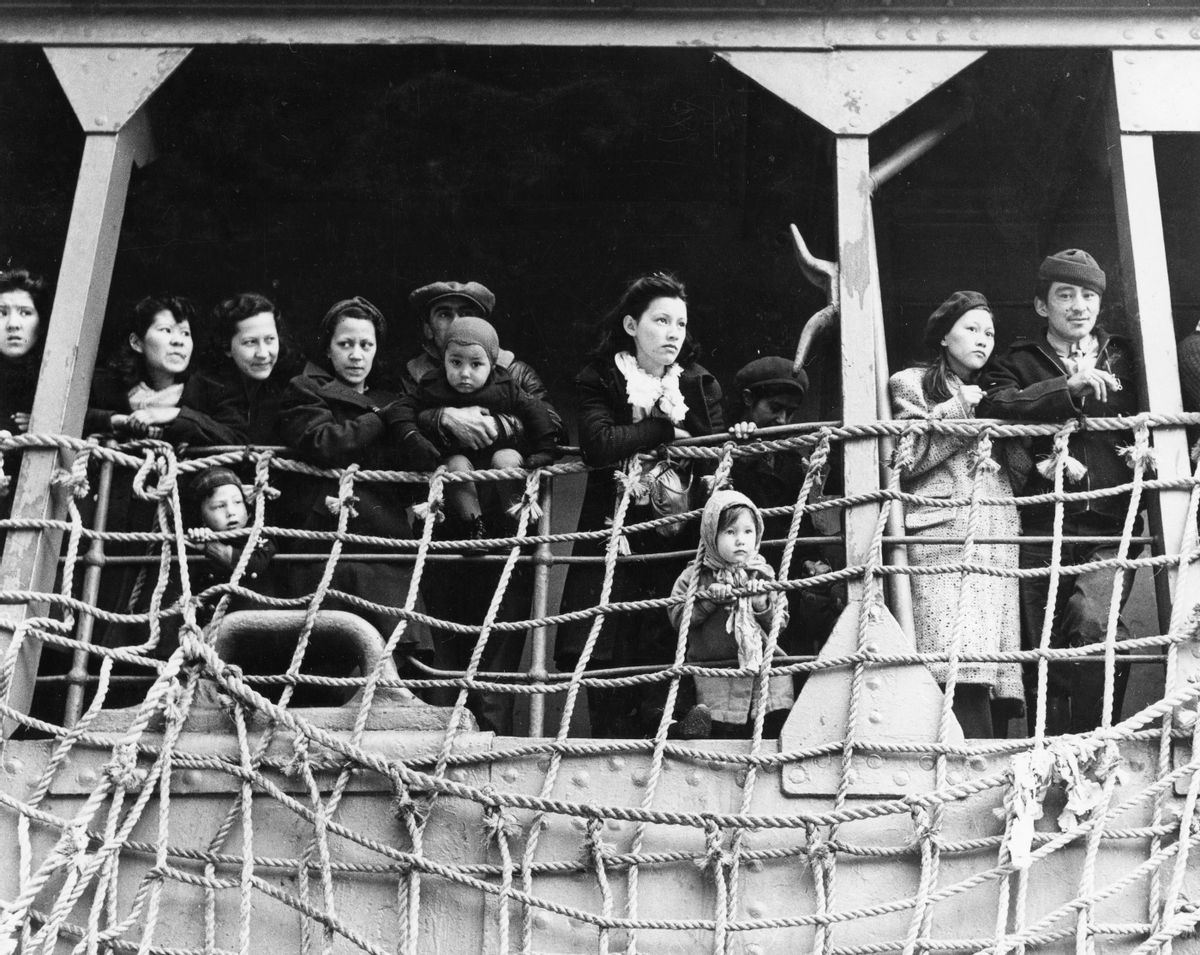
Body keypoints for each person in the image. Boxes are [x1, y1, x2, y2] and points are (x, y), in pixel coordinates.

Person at [556, 272, 725, 737]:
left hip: (676, 540)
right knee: (606, 649)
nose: (673, 333)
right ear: (632, 325)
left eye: (681, 324)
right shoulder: (602, 377)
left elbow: (716, 451)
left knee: (667, 645)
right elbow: (599, 442)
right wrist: (666, 432)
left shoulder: (696, 383)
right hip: (615, 537)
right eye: (661, 321)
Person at [980, 250, 1141, 735]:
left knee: (1094, 626)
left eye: (1088, 295)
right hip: (1037, 522)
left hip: (1109, 525)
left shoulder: (1128, 357)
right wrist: (1066, 386)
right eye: (1065, 295)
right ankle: (1043, 754)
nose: (1078, 305)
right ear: (1041, 305)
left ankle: (1094, 743)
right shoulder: (1017, 361)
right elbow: (997, 404)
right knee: (1039, 646)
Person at [400, 280, 561, 734]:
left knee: (500, 652)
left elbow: (549, 423)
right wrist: (441, 419)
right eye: (442, 313)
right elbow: (396, 426)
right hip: (445, 535)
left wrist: (493, 424)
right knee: (442, 651)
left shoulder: (515, 372)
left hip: (505, 527)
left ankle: (494, 757)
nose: (454, 323)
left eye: (463, 312)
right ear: (429, 326)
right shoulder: (414, 377)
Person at [889, 291, 1024, 737]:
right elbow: (906, 461)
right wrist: (961, 406)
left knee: (994, 674)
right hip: (942, 538)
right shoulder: (910, 383)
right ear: (944, 336)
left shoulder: (998, 389)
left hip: (993, 539)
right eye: (971, 329)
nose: (982, 340)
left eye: (989, 332)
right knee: (953, 664)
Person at [278, 296, 439, 669]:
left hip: (383, 537)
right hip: (326, 532)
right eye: (345, 344)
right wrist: (381, 420)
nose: (356, 355)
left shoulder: (391, 400)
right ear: (328, 348)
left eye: (366, 345)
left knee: (397, 627)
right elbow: (323, 442)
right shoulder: (305, 389)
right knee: (326, 647)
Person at [727, 356, 843, 668]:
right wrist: (742, 451)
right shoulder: (728, 448)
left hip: (787, 579)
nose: (781, 420)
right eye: (774, 408)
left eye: (788, 413)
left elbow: (801, 521)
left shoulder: (793, 460)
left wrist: (812, 557)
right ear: (749, 401)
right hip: (744, 577)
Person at [398, 315, 558, 538]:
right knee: (455, 465)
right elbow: (401, 409)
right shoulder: (433, 384)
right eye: (455, 362)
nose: (464, 373)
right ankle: (474, 526)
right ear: (444, 359)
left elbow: (537, 410)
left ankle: (515, 525)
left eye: (476, 364)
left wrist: (545, 450)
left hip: (499, 464)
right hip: (460, 471)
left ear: (492, 365)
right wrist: (415, 433)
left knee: (506, 459)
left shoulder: (504, 385)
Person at [667, 489, 792, 739]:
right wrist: (707, 600)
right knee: (717, 722)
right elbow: (677, 617)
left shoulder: (762, 573)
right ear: (712, 535)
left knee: (770, 716)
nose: (740, 540)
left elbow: (782, 621)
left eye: (748, 531)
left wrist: (761, 603)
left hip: (760, 670)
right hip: (714, 670)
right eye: (730, 532)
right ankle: (695, 727)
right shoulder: (694, 576)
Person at [84, 295, 217, 442]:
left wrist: (176, 414)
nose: (179, 341)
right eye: (166, 330)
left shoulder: (209, 393)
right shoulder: (104, 386)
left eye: (185, 333)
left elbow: (236, 436)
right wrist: (115, 420)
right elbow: (67, 414)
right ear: (136, 342)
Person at [179, 292, 299, 447]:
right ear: (226, 347)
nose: (263, 354)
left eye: (270, 340)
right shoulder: (206, 385)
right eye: (250, 342)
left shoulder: (292, 382)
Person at [184, 465, 277, 616]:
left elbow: (256, 562)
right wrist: (199, 540)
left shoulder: (260, 532)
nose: (231, 512)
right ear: (202, 517)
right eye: (219, 506)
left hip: (257, 622)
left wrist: (211, 547)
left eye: (237, 502)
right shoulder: (196, 540)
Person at [0, 268, 49, 515]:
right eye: (2, 313)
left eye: (25, 313)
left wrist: (42, 424)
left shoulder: (48, 377)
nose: (13, 324)